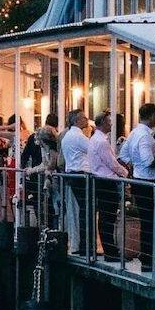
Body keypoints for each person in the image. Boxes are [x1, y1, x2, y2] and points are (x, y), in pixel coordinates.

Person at [124, 102, 155, 270]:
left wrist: (134, 167)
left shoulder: (134, 133)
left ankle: (147, 258)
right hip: (149, 183)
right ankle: (150, 260)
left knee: (147, 222)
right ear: (150, 117)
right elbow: (149, 161)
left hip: (139, 181)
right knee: (152, 222)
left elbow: (124, 154)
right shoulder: (146, 136)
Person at [86, 111, 129, 260]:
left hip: (100, 179)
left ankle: (110, 250)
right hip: (107, 181)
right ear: (103, 122)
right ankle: (110, 251)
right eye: (109, 121)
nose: (111, 124)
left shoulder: (94, 139)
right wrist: (125, 173)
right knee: (108, 217)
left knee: (105, 217)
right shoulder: (101, 141)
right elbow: (111, 163)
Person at [59, 109, 91, 254]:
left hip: (72, 174)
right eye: (84, 118)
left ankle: (81, 244)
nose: (87, 120)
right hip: (81, 174)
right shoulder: (78, 136)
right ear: (77, 121)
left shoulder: (67, 136)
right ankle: (86, 246)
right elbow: (93, 150)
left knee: (81, 210)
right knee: (86, 210)